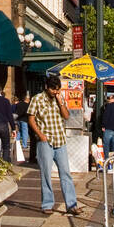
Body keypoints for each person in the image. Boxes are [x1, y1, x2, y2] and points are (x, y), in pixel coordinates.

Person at [28, 73, 82, 216]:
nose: (56, 92)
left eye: (58, 89)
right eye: (53, 89)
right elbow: (31, 119)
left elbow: (66, 116)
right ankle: (47, 203)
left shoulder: (59, 98)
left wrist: (61, 102)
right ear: (47, 87)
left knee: (65, 173)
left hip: (60, 140)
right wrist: (40, 135)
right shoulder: (37, 99)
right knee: (46, 173)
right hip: (46, 140)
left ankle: (71, 204)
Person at [99, 93, 114, 160]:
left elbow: (105, 116)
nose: (108, 100)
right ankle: (113, 160)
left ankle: (107, 160)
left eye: (109, 98)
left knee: (106, 145)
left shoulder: (108, 107)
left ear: (113, 99)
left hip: (108, 128)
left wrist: (103, 125)